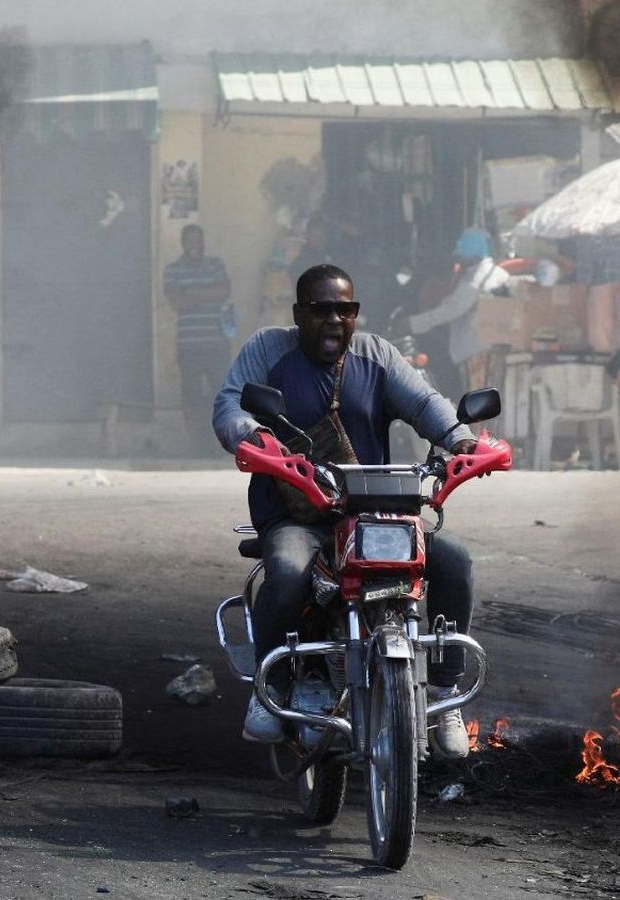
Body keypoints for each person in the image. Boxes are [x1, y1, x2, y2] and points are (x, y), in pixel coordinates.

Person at [213, 264, 478, 759]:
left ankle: (444, 690)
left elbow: (423, 403)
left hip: (370, 510)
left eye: (345, 309)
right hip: (295, 514)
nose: (334, 320)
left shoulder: (376, 355)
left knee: (453, 561)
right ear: (299, 314)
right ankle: (272, 690)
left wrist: (461, 440)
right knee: (289, 573)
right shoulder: (269, 350)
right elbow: (230, 405)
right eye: (321, 310)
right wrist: (252, 437)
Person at [407, 227, 511, 377]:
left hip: (477, 351)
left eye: (462, 256)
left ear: (473, 254)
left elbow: (451, 310)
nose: (459, 260)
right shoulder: (500, 273)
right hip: (495, 347)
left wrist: (412, 323)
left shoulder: (474, 280)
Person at [164, 224, 233, 449]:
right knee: (191, 395)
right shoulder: (173, 270)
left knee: (220, 393)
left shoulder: (215, 265)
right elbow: (176, 302)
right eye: (190, 240)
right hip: (188, 345)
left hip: (216, 343)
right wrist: (207, 295)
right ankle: (197, 445)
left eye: (198, 239)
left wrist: (192, 294)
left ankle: (219, 443)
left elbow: (223, 292)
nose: (195, 244)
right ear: (183, 243)